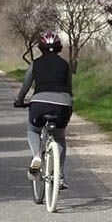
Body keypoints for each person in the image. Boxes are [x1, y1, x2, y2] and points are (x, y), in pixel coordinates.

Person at [13, 32, 72, 188]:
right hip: (63, 105)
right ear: (59, 47)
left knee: (33, 130)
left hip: (40, 103)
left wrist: (19, 100)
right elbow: (69, 89)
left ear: (41, 48)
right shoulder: (65, 64)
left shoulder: (35, 64)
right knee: (59, 137)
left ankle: (37, 156)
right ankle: (59, 176)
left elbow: (26, 84)